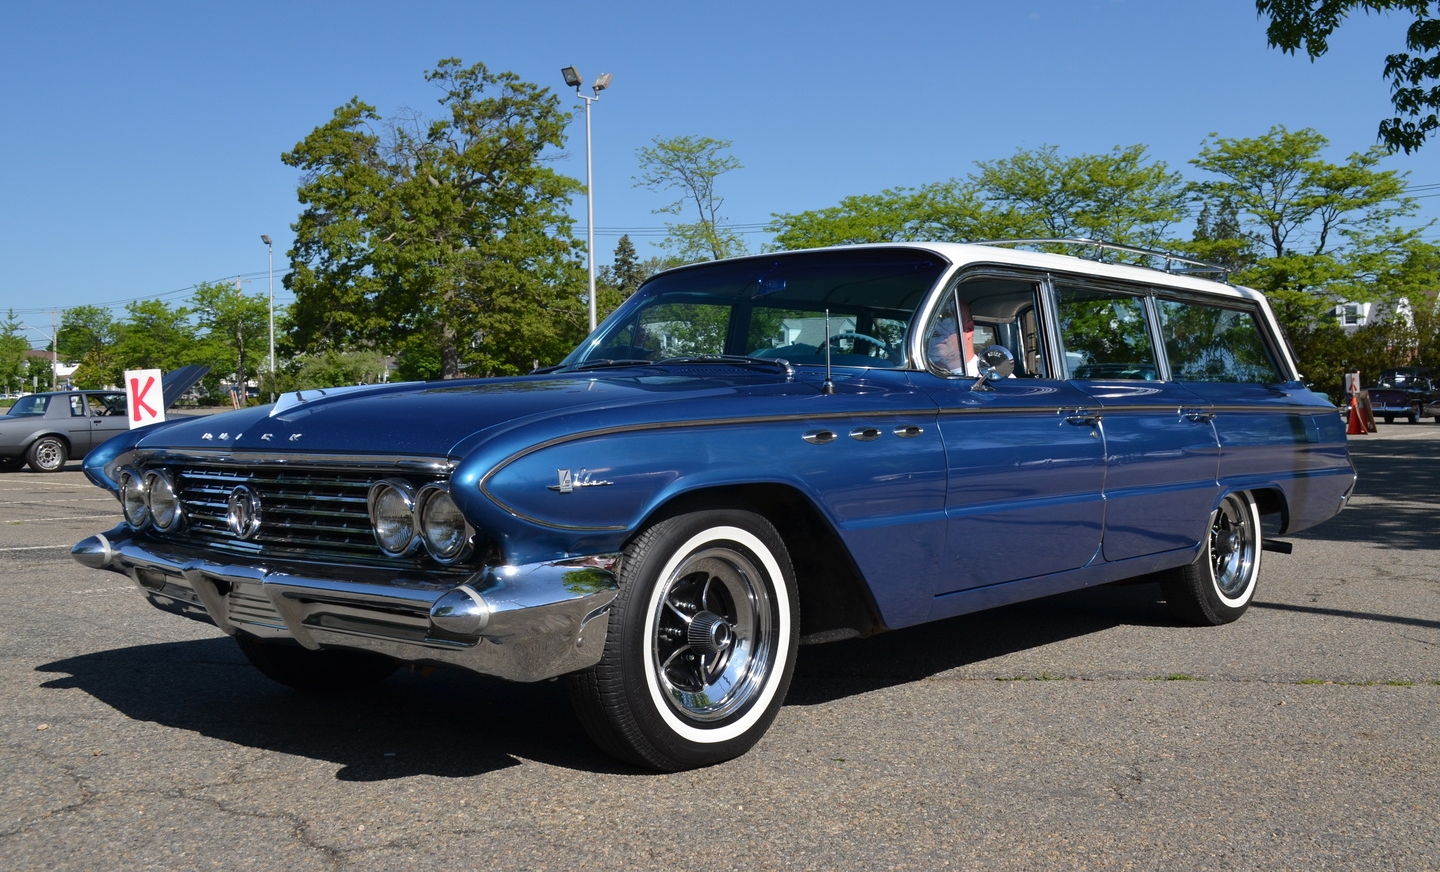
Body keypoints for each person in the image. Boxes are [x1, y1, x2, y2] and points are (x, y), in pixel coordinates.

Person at [926, 295, 978, 376]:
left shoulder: (987, 381)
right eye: (928, 322)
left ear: (968, 330)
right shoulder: (918, 376)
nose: (934, 328)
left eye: (944, 318)